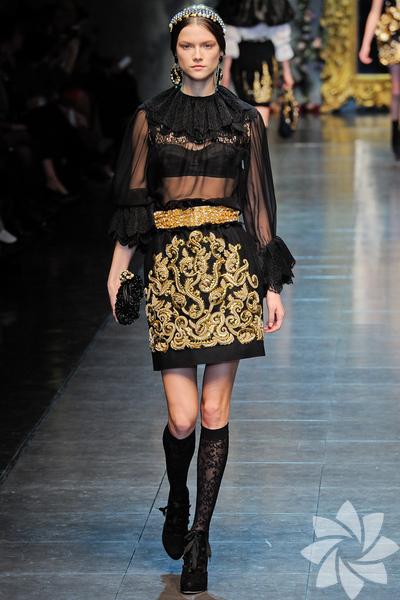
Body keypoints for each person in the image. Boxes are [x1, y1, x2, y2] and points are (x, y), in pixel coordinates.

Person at [107, 4, 295, 595]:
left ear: (220, 50)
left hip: (230, 271)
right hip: (170, 271)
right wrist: (117, 272)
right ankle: (178, 495)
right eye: (187, 45)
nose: (196, 54)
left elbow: (259, 204)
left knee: (213, 413)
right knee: (183, 417)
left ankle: (199, 540)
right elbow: (135, 200)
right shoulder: (150, 118)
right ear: (176, 51)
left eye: (206, 45)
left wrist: (270, 285)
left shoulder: (245, 119)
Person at [216, 0, 295, 127]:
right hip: (245, 57)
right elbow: (230, 38)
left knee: (261, 104)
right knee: (246, 106)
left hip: (261, 55)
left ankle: (258, 137)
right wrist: (225, 76)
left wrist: (287, 72)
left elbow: (281, 37)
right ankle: (255, 137)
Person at [359, 0, 400, 159]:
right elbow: (375, 11)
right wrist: (365, 44)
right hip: (392, 34)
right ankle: (395, 131)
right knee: (396, 91)